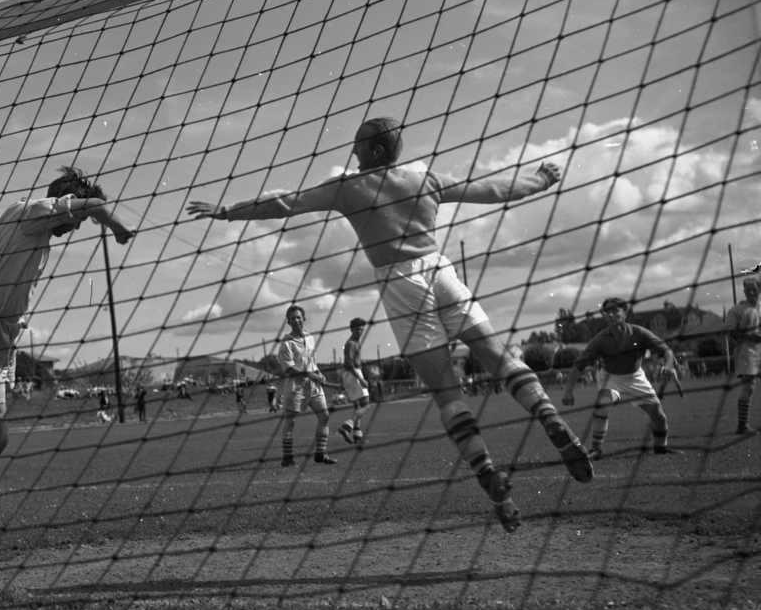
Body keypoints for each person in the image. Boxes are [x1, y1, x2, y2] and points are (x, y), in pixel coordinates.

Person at [187, 116, 592, 532]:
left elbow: (286, 202)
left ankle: (487, 471)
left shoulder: (350, 187)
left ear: (376, 150)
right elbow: (489, 189)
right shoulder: (425, 179)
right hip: (443, 273)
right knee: (501, 359)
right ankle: (546, 413)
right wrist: (540, 179)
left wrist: (228, 212)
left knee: (446, 393)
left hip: (402, 286)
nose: (354, 151)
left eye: (359, 144)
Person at [0, 165, 134, 556]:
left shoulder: (31, 225)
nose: (74, 228)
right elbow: (93, 205)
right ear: (68, 204)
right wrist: (118, 227)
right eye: (75, 219)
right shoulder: (33, 212)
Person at [560, 297, 676, 459]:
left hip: (636, 377)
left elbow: (666, 351)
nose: (611, 315)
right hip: (611, 377)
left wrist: (668, 365)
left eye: (615, 311)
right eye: (607, 312)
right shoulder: (600, 340)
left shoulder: (639, 333)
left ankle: (660, 449)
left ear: (625, 313)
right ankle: (596, 450)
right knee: (602, 403)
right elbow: (579, 364)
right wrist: (568, 391)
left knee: (659, 416)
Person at [274, 304, 335, 467]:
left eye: (298, 317)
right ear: (288, 322)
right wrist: (309, 374)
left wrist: (318, 372)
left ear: (304, 319)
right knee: (291, 421)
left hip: (313, 386)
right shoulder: (286, 343)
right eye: (292, 318)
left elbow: (311, 362)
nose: (296, 320)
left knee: (324, 416)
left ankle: (320, 454)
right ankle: (287, 458)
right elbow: (289, 368)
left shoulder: (310, 337)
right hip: (296, 387)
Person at [725, 276, 761, 434]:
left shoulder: (759, 308)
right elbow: (730, 331)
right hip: (746, 353)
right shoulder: (737, 310)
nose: (752, 292)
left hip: (759, 352)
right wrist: (752, 337)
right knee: (749, 387)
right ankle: (742, 425)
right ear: (744, 292)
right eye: (748, 290)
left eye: (755, 289)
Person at [338, 317, 370, 447]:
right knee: (366, 406)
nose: (360, 331)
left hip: (351, 374)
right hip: (354, 374)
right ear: (351, 329)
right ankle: (346, 427)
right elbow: (349, 364)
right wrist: (361, 378)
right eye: (357, 329)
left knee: (357, 406)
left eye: (362, 329)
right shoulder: (351, 343)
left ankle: (357, 436)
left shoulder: (356, 342)